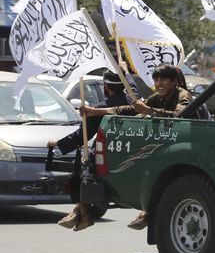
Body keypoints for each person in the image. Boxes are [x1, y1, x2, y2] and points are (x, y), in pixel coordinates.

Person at [81, 63, 193, 229]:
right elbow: (129, 109)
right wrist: (94, 111)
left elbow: (178, 115)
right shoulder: (157, 97)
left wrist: (149, 111)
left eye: (163, 80)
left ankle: (148, 213)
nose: (159, 84)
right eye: (156, 80)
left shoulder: (183, 95)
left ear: (174, 82)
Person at [47, 70, 131, 231]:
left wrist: (57, 143)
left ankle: (83, 213)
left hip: (106, 156)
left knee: (78, 176)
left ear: (106, 86)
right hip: (130, 153)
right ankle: (78, 211)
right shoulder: (133, 103)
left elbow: (81, 137)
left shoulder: (100, 109)